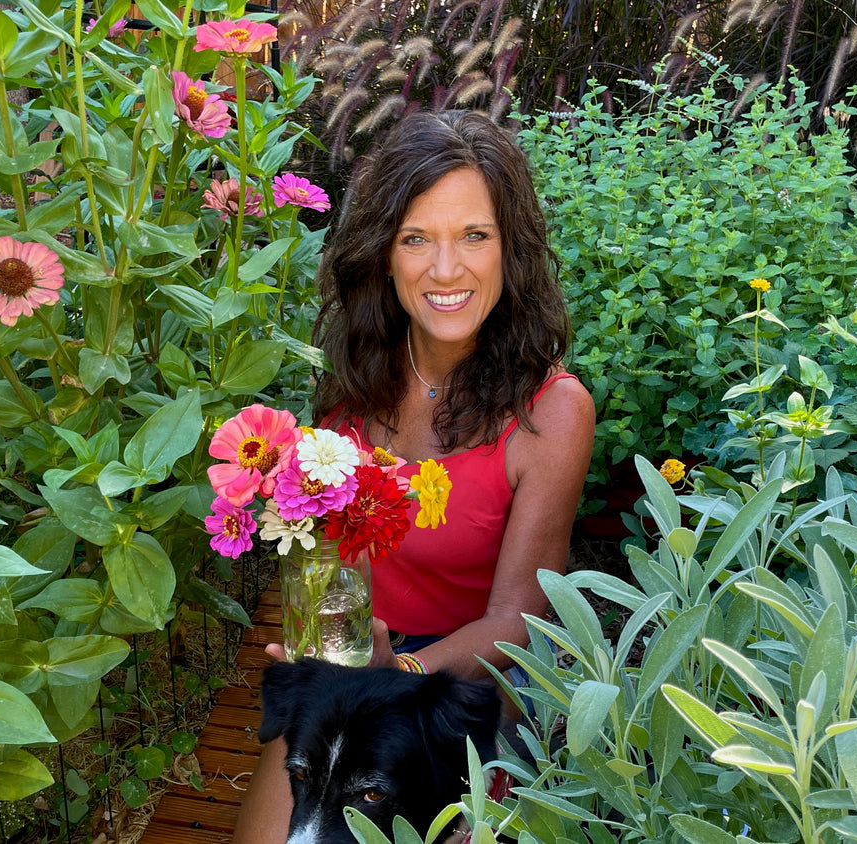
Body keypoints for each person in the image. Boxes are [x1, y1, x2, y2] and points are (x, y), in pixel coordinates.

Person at [234, 109, 595, 842]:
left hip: (468, 679)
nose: (445, 269)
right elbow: (330, 553)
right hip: (360, 662)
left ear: (510, 251)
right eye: (416, 238)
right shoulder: (353, 384)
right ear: (383, 255)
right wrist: (317, 646)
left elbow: (520, 623)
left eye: (474, 236)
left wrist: (395, 672)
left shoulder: (552, 412)